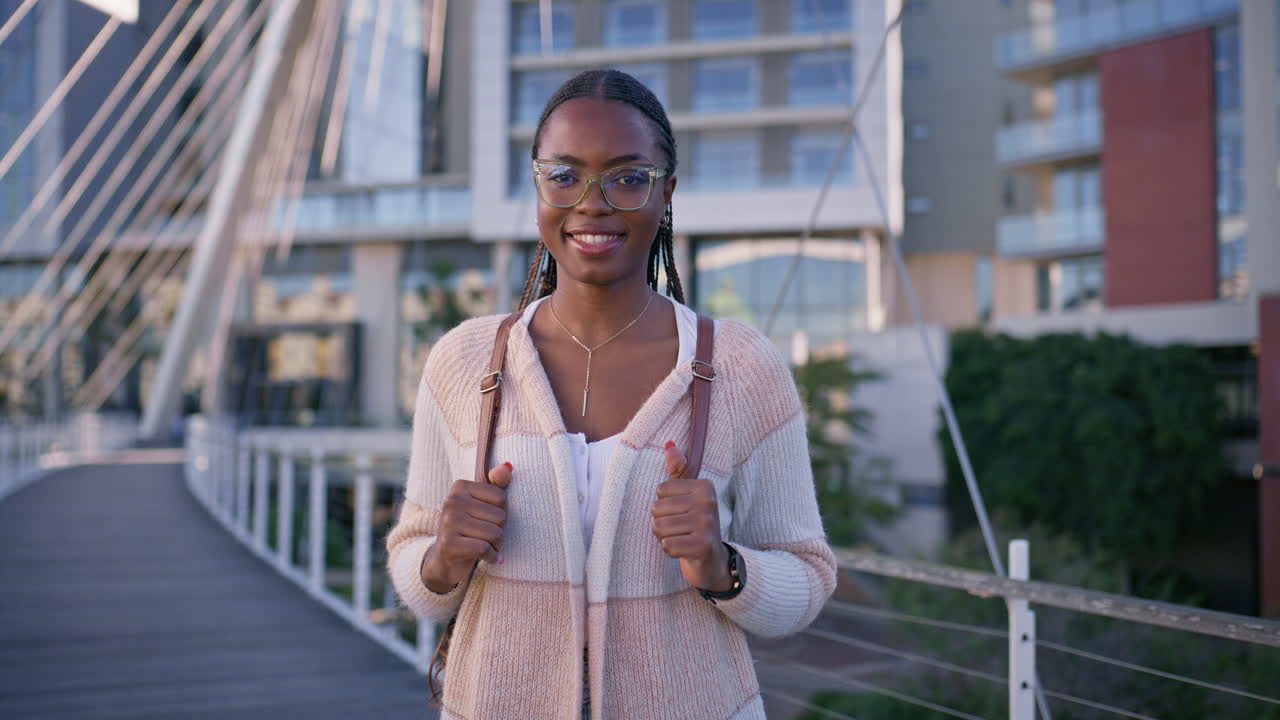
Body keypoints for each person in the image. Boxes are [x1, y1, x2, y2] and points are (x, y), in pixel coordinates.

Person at [385, 69, 836, 720]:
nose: (592, 203)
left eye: (628, 178)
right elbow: (419, 575)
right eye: (564, 176)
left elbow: (809, 575)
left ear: (667, 193)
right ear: (537, 185)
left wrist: (723, 567)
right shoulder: (464, 360)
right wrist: (441, 557)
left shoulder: (741, 366)